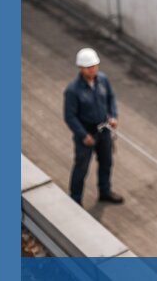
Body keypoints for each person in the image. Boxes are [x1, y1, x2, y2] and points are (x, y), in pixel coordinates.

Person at [63, 48, 124, 205]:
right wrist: (83, 135)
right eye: (89, 67)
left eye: (95, 66)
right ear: (81, 68)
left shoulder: (102, 80)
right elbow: (70, 116)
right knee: (81, 168)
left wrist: (113, 116)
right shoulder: (73, 91)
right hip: (86, 135)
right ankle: (75, 199)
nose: (93, 69)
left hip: (103, 131)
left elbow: (111, 98)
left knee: (106, 162)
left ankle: (105, 191)